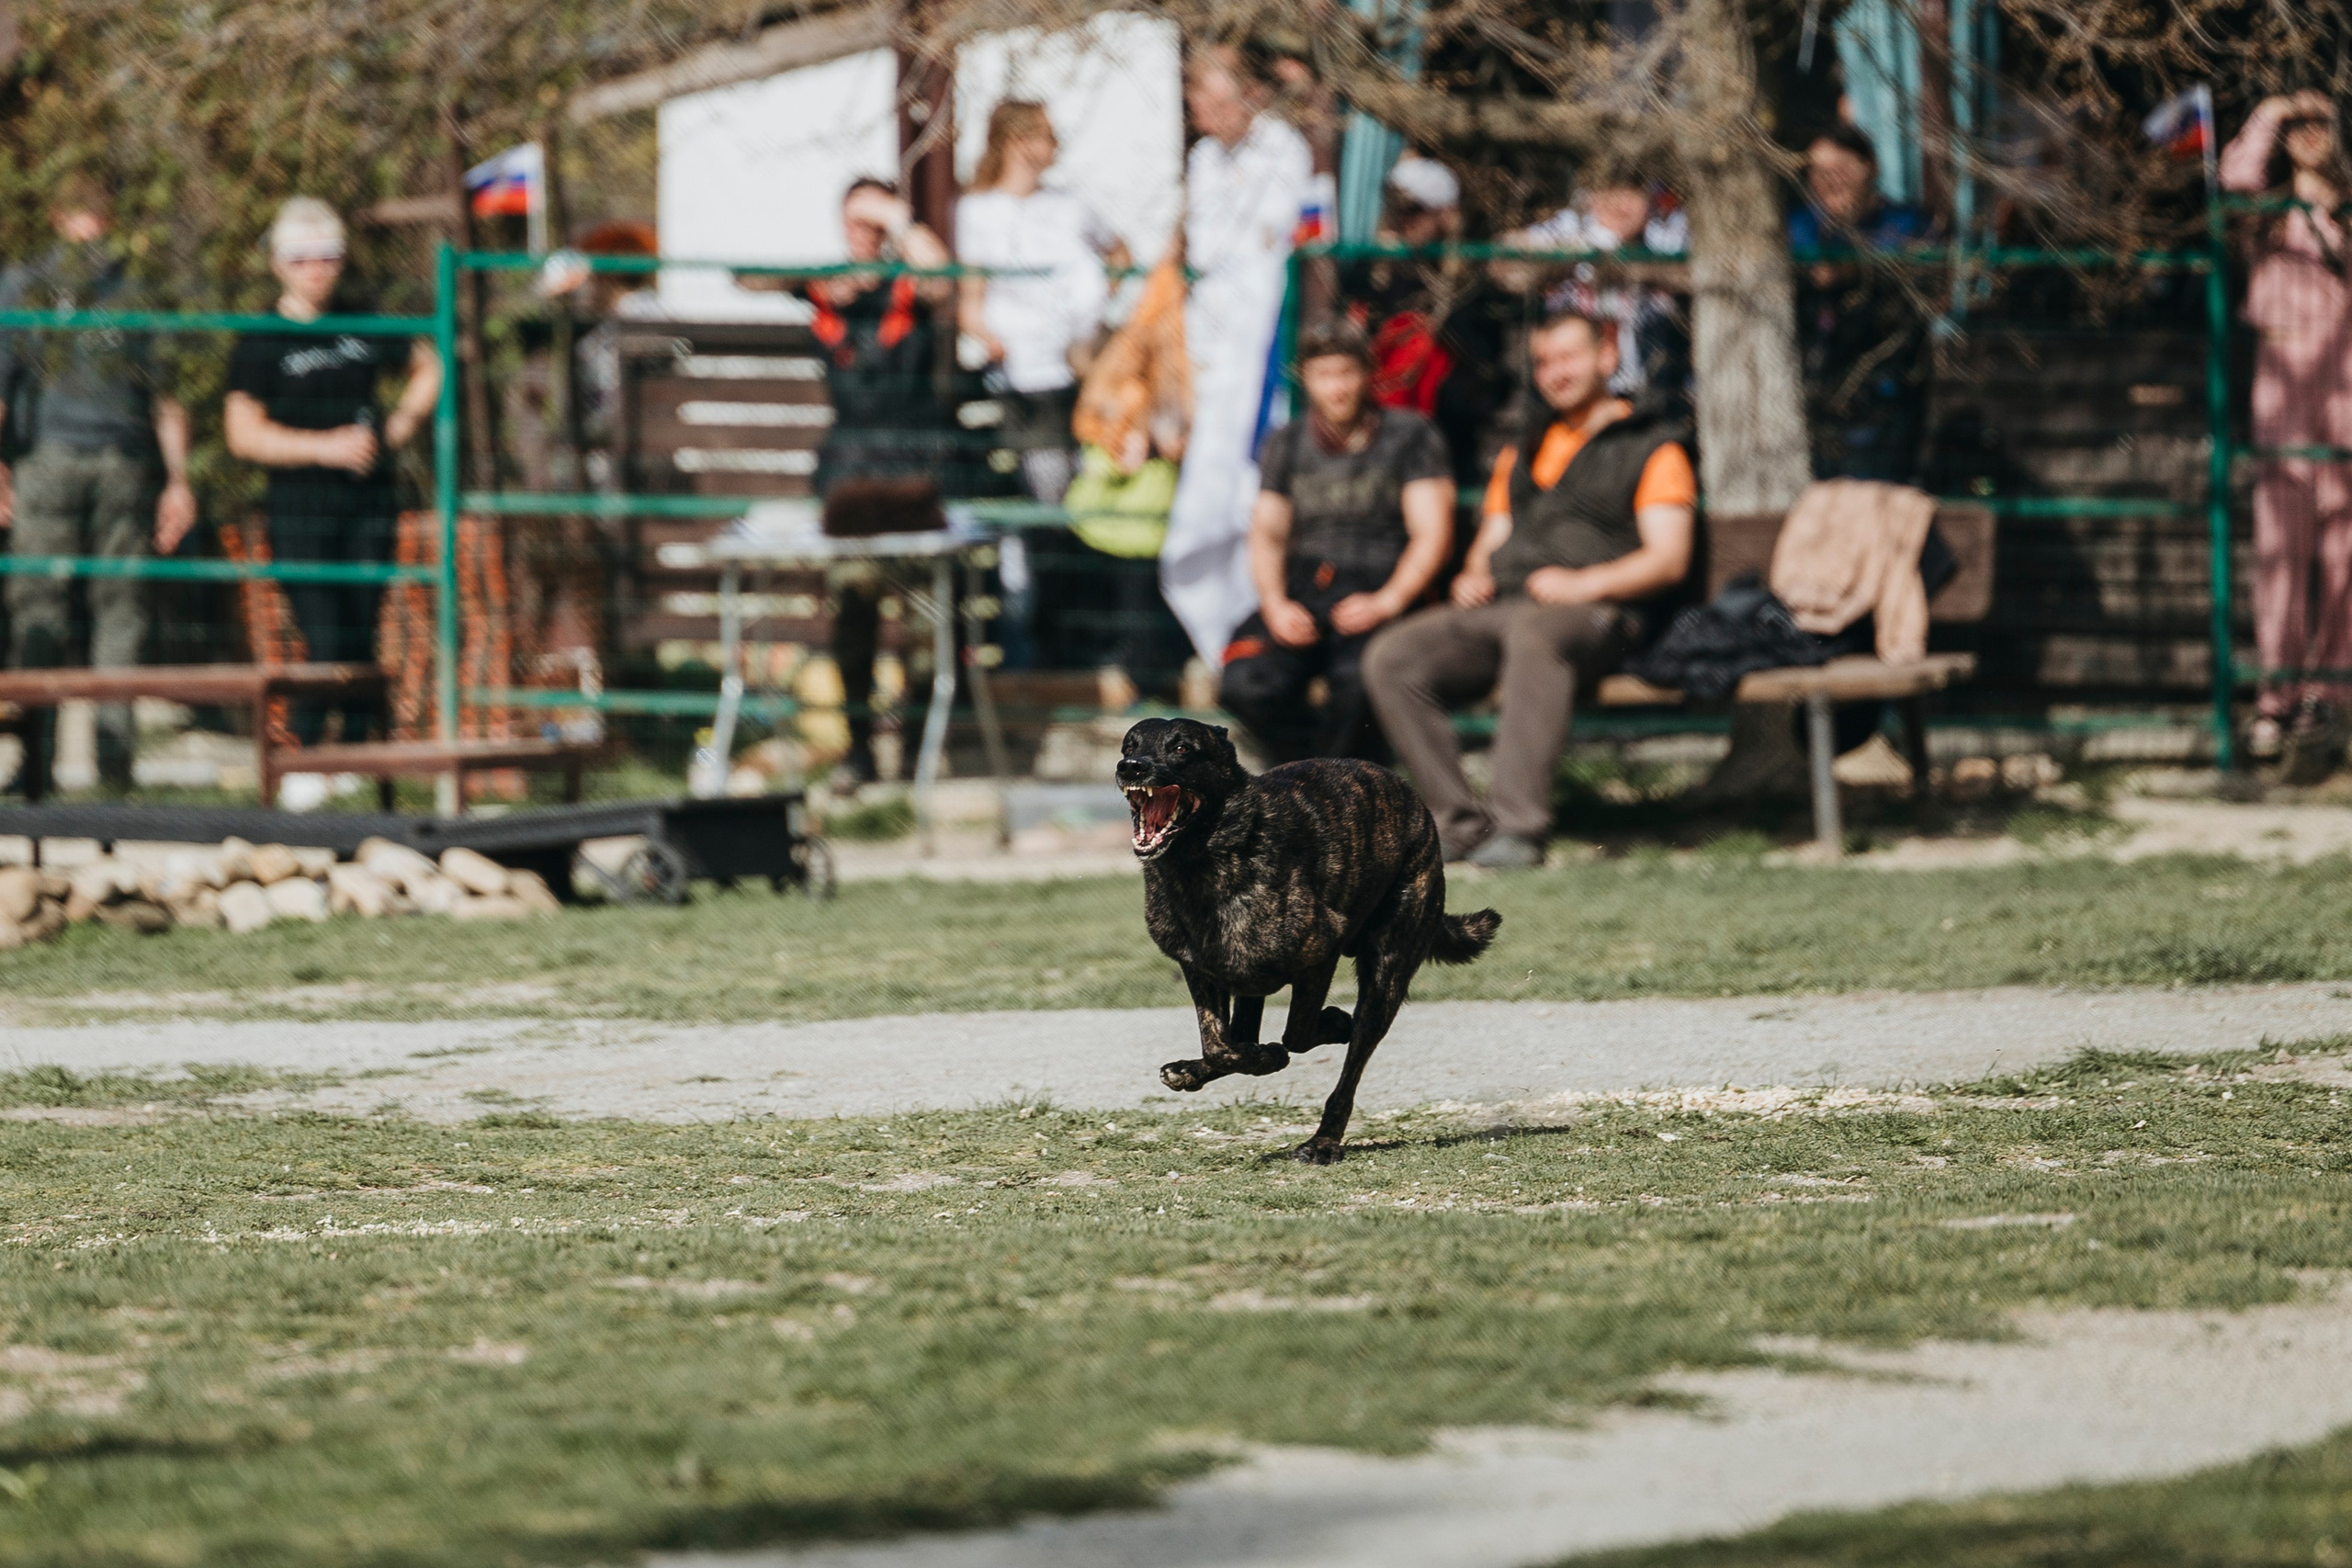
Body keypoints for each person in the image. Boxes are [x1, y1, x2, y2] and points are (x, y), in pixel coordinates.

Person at [1363, 308, 1696, 868]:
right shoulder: (1524, 449)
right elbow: (1495, 532)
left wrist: (1584, 583)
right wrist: (1472, 572)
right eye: (1544, 362)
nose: (1556, 373)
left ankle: (1519, 825)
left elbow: (1669, 559)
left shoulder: (1653, 446)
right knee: (1392, 656)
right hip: (1507, 604)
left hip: (1600, 613)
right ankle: (1458, 820)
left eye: (1569, 357)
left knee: (1536, 634)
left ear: (1607, 357)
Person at [225, 198, 441, 796]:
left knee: (363, 627)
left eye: (328, 256)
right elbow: (242, 433)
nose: (316, 268)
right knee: (321, 632)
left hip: (368, 503)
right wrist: (324, 448)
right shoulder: (260, 340)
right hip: (299, 505)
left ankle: (360, 759)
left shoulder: (364, 320)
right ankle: (307, 755)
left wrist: (395, 429)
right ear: (278, 264)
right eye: (302, 258)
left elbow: (429, 366)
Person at [0, 172, 198, 792]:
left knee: (89, 612)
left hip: (98, 465)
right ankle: (62, 767)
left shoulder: (117, 289)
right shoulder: (33, 285)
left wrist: (177, 480)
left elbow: (167, 394)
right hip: (68, 462)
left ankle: (89, 768)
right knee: (65, 614)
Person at [1219, 319, 1453, 763]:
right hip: (1303, 589)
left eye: (1346, 373)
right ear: (1307, 379)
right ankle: (1308, 775)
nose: (1337, 388)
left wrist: (1389, 601)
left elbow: (1431, 533)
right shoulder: (1286, 443)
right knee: (1244, 681)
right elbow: (1267, 533)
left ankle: (1336, 793)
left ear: (1366, 374)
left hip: (1382, 584)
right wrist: (1275, 604)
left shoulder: (1411, 436)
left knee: (1362, 683)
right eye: (1325, 375)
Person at [1159, 41, 1316, 671]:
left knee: (1253, 487)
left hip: (1258, 343)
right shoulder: (1202, 159)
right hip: (1209, 344)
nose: (1206, 117)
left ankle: (1251, 622)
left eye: (1216, 102)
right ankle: (1212, 628)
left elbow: (1271, 244)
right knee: (1202, 493)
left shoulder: (1282, 148)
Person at [801, 178, 954, 786]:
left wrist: (896, 218)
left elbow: (945, 279)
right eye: (852, 221)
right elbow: (747, 278)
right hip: (851, 469)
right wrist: (832, 275)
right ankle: (858, 749)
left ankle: (920, 746)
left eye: (872, 222)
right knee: (854, 604)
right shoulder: (824, 289)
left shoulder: (910, 285)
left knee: (923, 614)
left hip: (912, 465)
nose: (860, 233)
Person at [2221, 91, 2352, 761]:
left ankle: (2328, 697)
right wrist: (2271, 112)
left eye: (2319, 123)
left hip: (2347, 397)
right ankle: (2276, 698)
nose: (2309, 135)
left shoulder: (2346, 214)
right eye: (2298, 126)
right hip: (2284, 396)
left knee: (2343, 559)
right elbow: (2234, 178)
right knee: (2279, 557)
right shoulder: (2266, 217)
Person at [956, 99, 1130, 504]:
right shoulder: (977, 211)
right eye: (1047, 136)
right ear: (1018, 142)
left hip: (1079, 366)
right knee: (1048, 483)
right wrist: (990, 337)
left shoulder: (1070, 205)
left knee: (1094, 476)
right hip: (1023, 375)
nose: (1056, 146)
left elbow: (1119, 256)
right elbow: (971, 299)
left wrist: (1089, 314)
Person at [1337, 156, 1512, 489]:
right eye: (1393, 207)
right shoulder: (1373, 272)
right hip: (1376, 426)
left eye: (1412, 210)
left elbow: (1484, 369)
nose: (1400, 219)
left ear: (1444, 214)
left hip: (1443, 435)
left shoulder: (1468, 284)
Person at [1788, 125, 1937, 484]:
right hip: (1814, 388)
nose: (1827, 181)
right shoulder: (1801, 225)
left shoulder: (1906, 222)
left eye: (1839, 168)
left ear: (1870, 168)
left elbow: (1916, 264)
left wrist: (1851, 262)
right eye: (1817, 171)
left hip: (1888, 388)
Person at [1505, 176, 1692, 399]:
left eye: (1633, 191)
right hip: (1578, 395)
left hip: (1658, 395)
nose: (1621, 203)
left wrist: (1628, 265)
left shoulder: (1663, 230)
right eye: (1609, 190)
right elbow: (1506, 263)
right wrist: (1573, 254)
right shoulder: (1574, 226)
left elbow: (1704, 272)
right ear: (1590, 195)